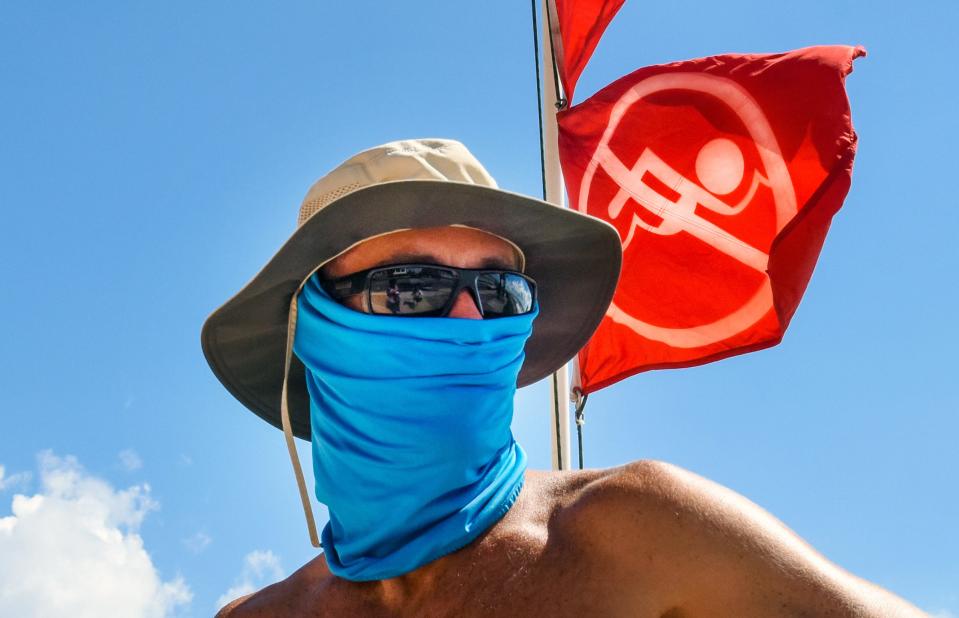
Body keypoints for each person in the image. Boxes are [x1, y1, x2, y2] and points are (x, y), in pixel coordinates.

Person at [204, 139, 923, 617]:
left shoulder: (641, 527)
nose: (467, 319)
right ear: (315, 329)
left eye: (499, 295)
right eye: (409, 288)